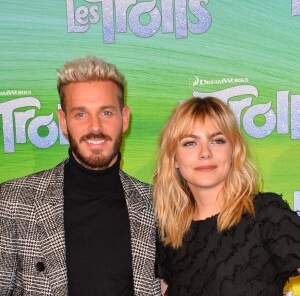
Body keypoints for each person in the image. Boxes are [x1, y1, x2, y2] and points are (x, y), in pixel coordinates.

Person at [0, 56, 161, 296]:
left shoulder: (157, 204)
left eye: (106, 113)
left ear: (124, 118)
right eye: (81, 115)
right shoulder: (12, 201)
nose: (95, 127)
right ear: (63, 122)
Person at [153, 96, 300, 296]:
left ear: (233, 151)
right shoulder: (169, 234)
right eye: (190, 143)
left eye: (217, 140)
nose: (205, 152)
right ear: (174, 159)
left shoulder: (265, 213)